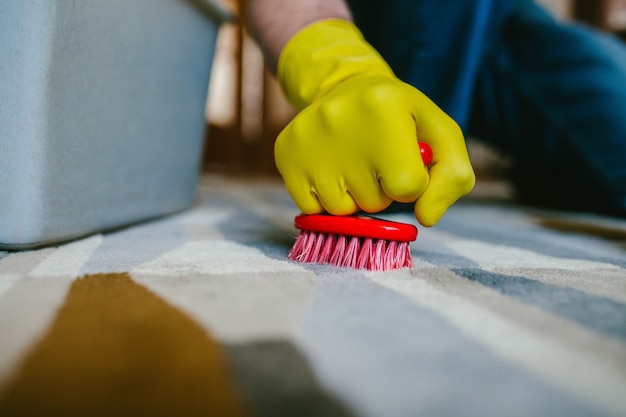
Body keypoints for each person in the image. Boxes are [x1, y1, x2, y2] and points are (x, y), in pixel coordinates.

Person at [243, 0, 626, 226]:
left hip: (496, 16)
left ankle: (539, 167)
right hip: (369, 15)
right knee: (391, 186)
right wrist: (338, 69)